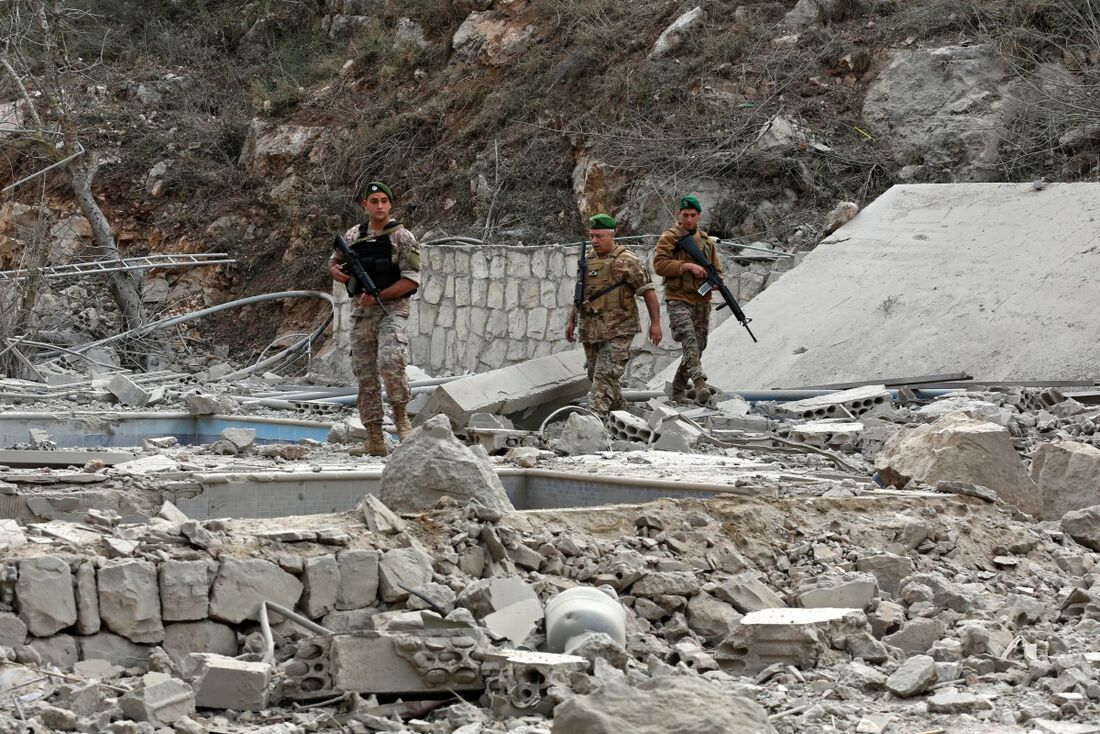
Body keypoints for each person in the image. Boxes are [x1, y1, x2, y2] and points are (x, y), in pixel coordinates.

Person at [327, 181, 420, 456]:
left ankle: (402, 419)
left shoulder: (403, 237)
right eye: (374, 201)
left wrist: (378, 294)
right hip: (362, 313)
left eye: (384, 201)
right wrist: (334, 270)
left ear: (390, 204)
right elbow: (334, 260)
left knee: (390, 362)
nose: (379, 206)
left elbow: (410, 281)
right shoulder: (354, 234)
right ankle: (374, 438)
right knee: (365, 375)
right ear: (365, 205)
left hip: (392, 310)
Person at [565, 213, 662, 418]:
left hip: (619, 329)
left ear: (611, 235)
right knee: (595, 374)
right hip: (591, 329)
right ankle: (621, 411)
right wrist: (570, 320)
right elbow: (581, 294)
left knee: (604, 375)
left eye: (599, 236)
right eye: (592, 236)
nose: (594, 240)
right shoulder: (588, 260)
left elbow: (648, 292)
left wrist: (655, 323)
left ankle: (593, 421)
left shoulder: (628, 261)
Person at [652, 194, 721, 404]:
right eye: (685, 215)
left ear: (699, 215)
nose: (688, 219)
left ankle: (678, 389)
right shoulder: (669, 237)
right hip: (678, 298)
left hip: (701, 300)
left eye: (692, 215)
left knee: (699, 346)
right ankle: (699, 383)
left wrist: (715, 281)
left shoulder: (707, 242)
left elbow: (716, 269)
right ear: (679, 215)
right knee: (689, 339)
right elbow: (659, 265)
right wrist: (686, 266)